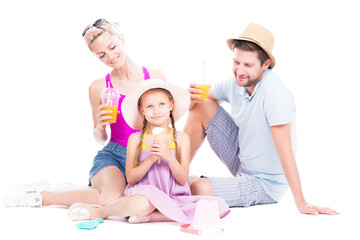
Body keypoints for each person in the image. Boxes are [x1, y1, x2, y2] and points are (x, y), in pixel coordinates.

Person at [4, 19, 166, 208]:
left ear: (121, 39)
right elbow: (100, 138)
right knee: (110, 199)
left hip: (145, 155)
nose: (111, 57)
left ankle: (72, 191)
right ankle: (43, 196)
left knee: (144, 201)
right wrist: (100, 125)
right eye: (102, 55)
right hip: (115, 155)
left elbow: (166, 123)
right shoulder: (98, 88)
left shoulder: (155, 77)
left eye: (113, 47)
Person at [185, 23, 339, 215]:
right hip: (241, 159)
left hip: (263, 183)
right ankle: (174, 176)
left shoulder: (274, 92)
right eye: (236, 62)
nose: (240, 71)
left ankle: (188, 184)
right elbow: (204, 99)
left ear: (265, 65)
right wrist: (191, 99)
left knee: (198, 189)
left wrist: (301, 202)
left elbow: (285, 149)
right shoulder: (237, 83)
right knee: (202, 103)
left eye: (248, 65)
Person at [67, 79, 230, 223]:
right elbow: (131, 178)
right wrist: (151, 159)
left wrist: (168, 156)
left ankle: (151, 217)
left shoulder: (181, 138)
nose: (156, 111)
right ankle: (100, 212)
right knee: (140, 204)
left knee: (217, 207)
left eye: (161, 104)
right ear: (142, 110)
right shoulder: (136, 139)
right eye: (150, 106)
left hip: (173, 196)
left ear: (171, 105)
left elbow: (182, 179)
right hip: (144, 194)